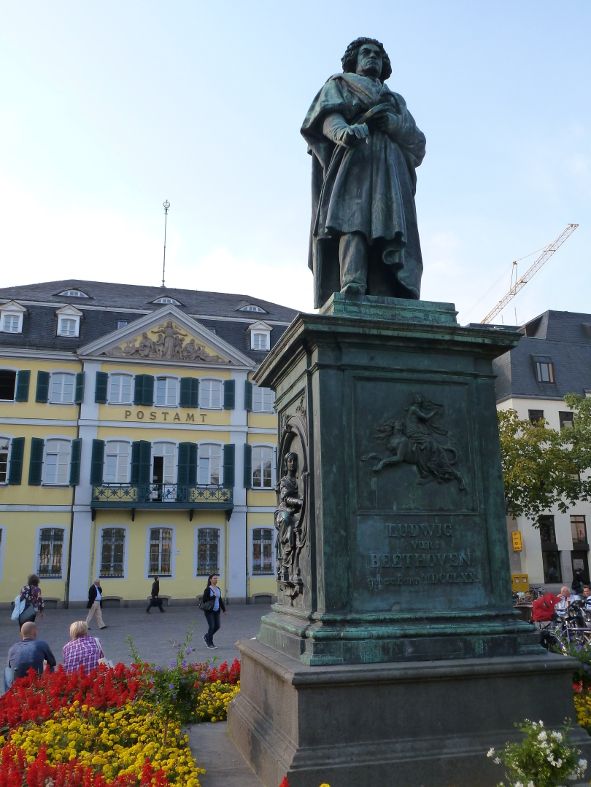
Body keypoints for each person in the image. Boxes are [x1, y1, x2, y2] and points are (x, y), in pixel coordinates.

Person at [301, 36, 426, 307]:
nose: (372, 58)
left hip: (390, 168)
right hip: (354, 161)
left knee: (388, 224)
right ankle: (352, 281)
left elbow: (417, 142)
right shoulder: (339, 84)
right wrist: (343, 133)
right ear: (353, 60)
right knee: (352, 219)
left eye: (378, 56)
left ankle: (385, 286)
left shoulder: (395, 100)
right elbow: (326, 119)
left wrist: (392, 123)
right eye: (366, 53)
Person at [6, 622, 56, 689]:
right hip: (36, 680)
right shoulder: (42, 644)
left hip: (17, 681)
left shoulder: (13, 648)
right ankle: (49, 689)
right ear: (35, 633)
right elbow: (52, 662)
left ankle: (8, 692)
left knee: (7, 670)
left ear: (21, 634)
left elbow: (9, 666)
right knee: (50, 667)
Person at [201, 574, 226, 649]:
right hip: (209, 611)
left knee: (217, 626)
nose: (216, 580)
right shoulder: (208, 589)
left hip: (217, 610)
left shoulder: (218, 589)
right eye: (214, 578)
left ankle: (207, 636)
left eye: (216, 578)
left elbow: (220, 599)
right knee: (211, 626)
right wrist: (213, 596)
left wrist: (224, 609)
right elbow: (204, 600)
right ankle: (210, 643)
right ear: (210, 580)